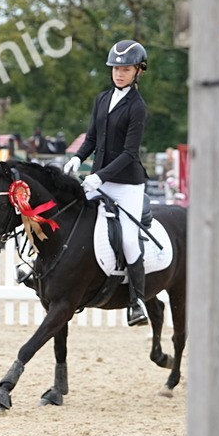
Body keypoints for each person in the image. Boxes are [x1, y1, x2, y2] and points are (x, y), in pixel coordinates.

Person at [63, 39, 151, 326]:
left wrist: (99, 176)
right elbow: (91, 138)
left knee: (127, 239)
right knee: (71, 220)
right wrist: (78, 158)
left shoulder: (137, 107)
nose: (119, 73)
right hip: (98, 178)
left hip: (126, 184)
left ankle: (137, 302)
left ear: (138, 71)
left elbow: (129, 153)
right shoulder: (101, 99)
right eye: (115, 68)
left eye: (126, 69)